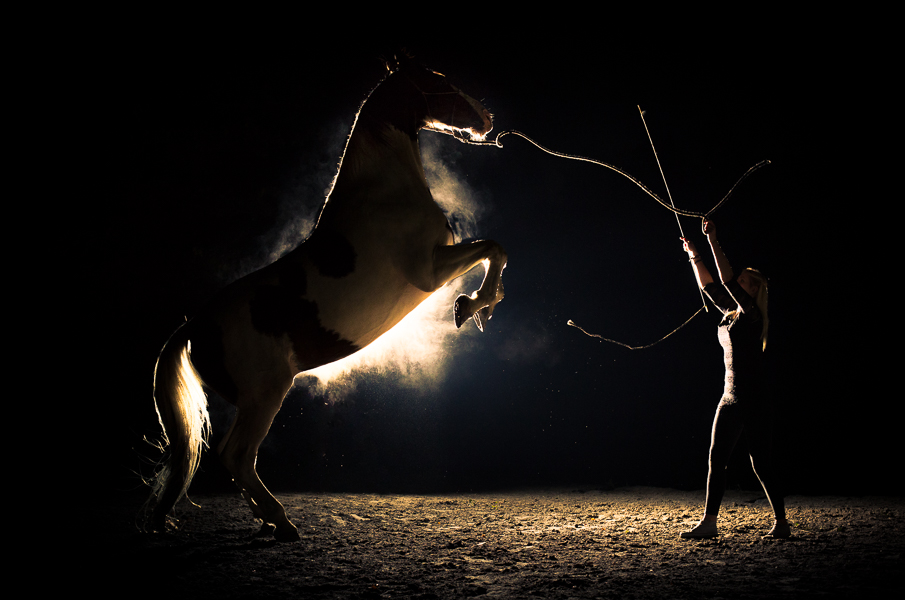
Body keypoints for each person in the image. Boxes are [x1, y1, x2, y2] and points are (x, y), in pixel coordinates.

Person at [680, 218, 790, 539]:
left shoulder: (753, 316)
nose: (737, 284)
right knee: (717, 460)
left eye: (743, 281)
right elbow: (710, 286)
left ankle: (781, 523)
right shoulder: (731, 313)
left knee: (761, 466)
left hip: (754, 399)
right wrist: (693, 254)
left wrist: (714, 240)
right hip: (729, 397)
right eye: (739, 280)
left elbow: (724, 281)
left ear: (754, 289)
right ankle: (710, 523)